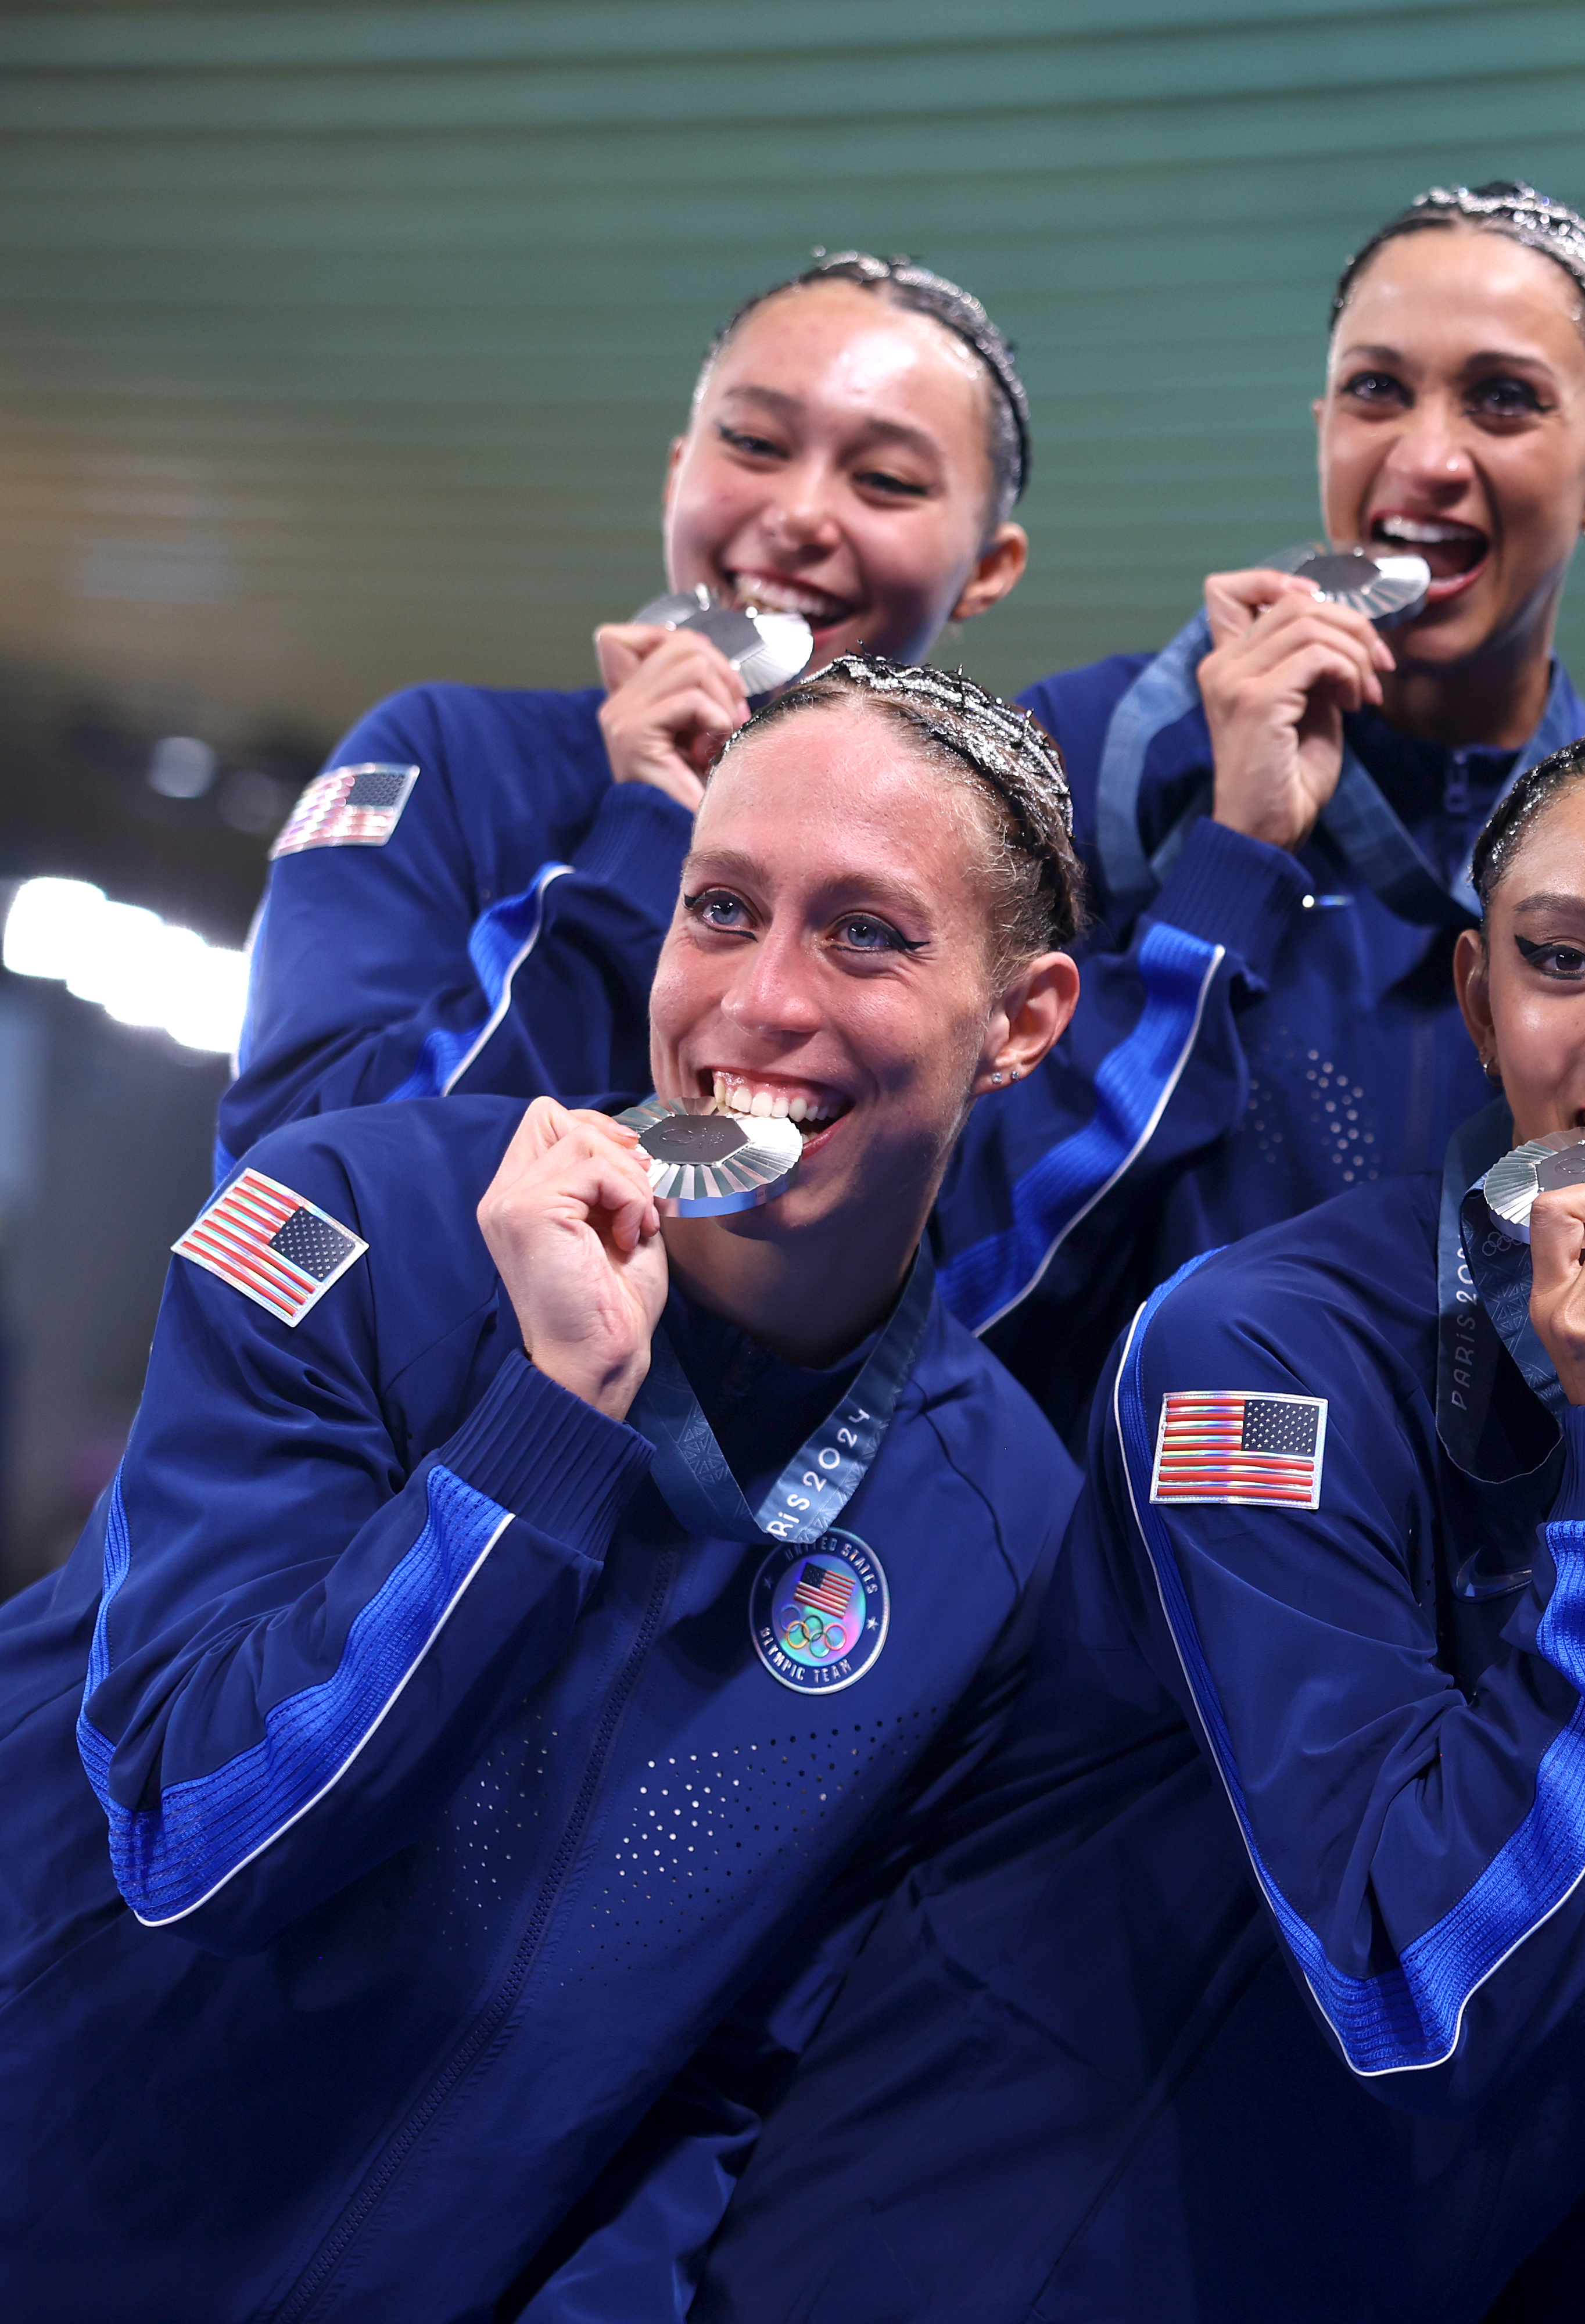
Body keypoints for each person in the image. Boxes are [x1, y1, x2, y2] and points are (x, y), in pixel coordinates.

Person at [681, 702, 1585, 2322]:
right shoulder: (1260, 1347)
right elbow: (1420, 1982)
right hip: (969, 2268)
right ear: (1478, 999)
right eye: (1561, 961)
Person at [0, 659, 1085, 2321]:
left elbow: (736, 2084)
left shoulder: (1002, 1523)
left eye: (865, 932)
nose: (760, 1001)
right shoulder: (354, 1217)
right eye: (722, 909)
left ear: (1021, 1021)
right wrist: (549, 1429)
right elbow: (195, 1835)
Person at [944, 181, 1585, 1426]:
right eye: (1379, 390)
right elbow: (958, 1267)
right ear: (1325, 420)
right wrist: (1232, 859)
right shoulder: (1088, 756)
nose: (1426, 457)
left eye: (1503, 398)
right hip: (1124, 1564)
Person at [217, 254, 1033, 1170]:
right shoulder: (447, 758)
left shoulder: (987, 883)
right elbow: (286, 1172)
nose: (801, 515)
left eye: (885, 479)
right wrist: (640, 846)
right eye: (756, 445)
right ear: (678, 473)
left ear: (990, 569)